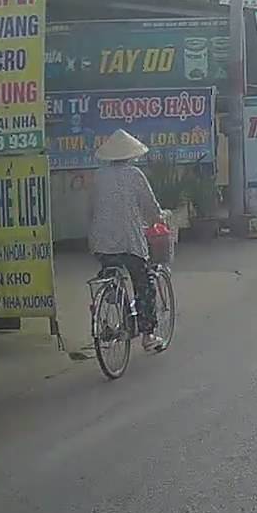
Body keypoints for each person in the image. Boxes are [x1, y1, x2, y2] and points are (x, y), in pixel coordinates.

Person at [87, 129, 166, 351]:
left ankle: (113, 303)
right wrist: (159, 218)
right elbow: (150, 206)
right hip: (129, 242)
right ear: (130, 155)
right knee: (144, 284)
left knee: (111, 275)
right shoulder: (134, 175)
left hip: (101, 242)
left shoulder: (98, 176)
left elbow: (91, 209)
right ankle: (148, 335)